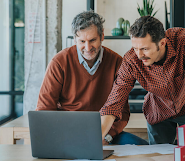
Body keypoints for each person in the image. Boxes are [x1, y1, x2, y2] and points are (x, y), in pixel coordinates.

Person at [36, 10, 148, 145]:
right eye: (82, 41)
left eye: (92, 40)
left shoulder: (117, 62)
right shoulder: (59, 63)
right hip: (68, 134)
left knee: (142, 147)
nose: (88, 48)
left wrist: (107, 137)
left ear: (102, 36)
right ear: (74, 39)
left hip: (105, 134)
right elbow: (44, 110)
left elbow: (122, 112)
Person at [100, 16, 185, 148]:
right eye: (135, 48)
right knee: (160, 158)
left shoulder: (184, 40)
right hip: (158, 111)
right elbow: (114, 103)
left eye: (145, 49)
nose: (139, 55)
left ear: (162, 43)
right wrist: (98, 138)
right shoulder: (131, 60)